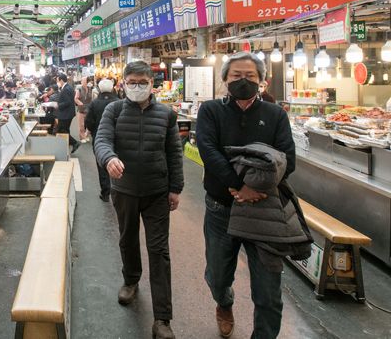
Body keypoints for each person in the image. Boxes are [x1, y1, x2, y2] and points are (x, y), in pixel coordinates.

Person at [196, 52, 295, 339]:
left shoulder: (275, 115)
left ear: (261, 81)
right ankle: (224, 303)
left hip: (263, 210)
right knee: (217, 275)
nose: (243, 81)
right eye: (236, 76)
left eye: (250, 76)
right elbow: (209, 152)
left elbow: (287, 158)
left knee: (268, 289)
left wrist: (257, 189)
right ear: (225, 79)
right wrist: (239, 186)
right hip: (220, 207)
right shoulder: (211, 111)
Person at [93, 61, 184, 339]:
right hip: (125, 191)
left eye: (142, 82)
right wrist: (109, 159)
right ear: (122, 84)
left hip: (157, 192)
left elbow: (174, 153)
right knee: (128, 238)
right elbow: (102, 141)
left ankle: (162, 319)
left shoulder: (166, 114)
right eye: (131, 82)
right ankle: (131, 280)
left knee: (159, 251)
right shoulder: (114, 110)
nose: (137, 87)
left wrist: (175, 187)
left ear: (152, 84)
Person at [84, 79, 119, 202]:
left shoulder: (94, 103)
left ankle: (105, 192)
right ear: (112, 88)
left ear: (99, 89)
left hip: (99, 138)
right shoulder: (119, 103)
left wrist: (94, 132)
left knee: (102, 164)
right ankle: (117, 190)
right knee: (117, 163)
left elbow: (88, 121)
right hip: (117, 138)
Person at [56, 73, 80, 154]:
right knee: (65, 130)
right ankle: (67, 147)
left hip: (65, 114)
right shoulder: (68, 87)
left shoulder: (66, 89)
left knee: (61, 131)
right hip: (68, 113)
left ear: (61, 80)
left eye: (58, 81)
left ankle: (74, 143)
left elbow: (67, 102)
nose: (57, 82)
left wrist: (58, 105)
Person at [75, 76, 94, 143]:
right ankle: (81, 137)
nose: (85, 82)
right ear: (81, 82)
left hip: (88, 108)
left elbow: (92, 98)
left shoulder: (90, 88)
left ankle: (86, 135)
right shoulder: (79, 88)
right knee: (81, 125)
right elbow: (76, 98)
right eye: (84, 81)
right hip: (81, 109)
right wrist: (80, 103)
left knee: (89, 123)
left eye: (86, 81)